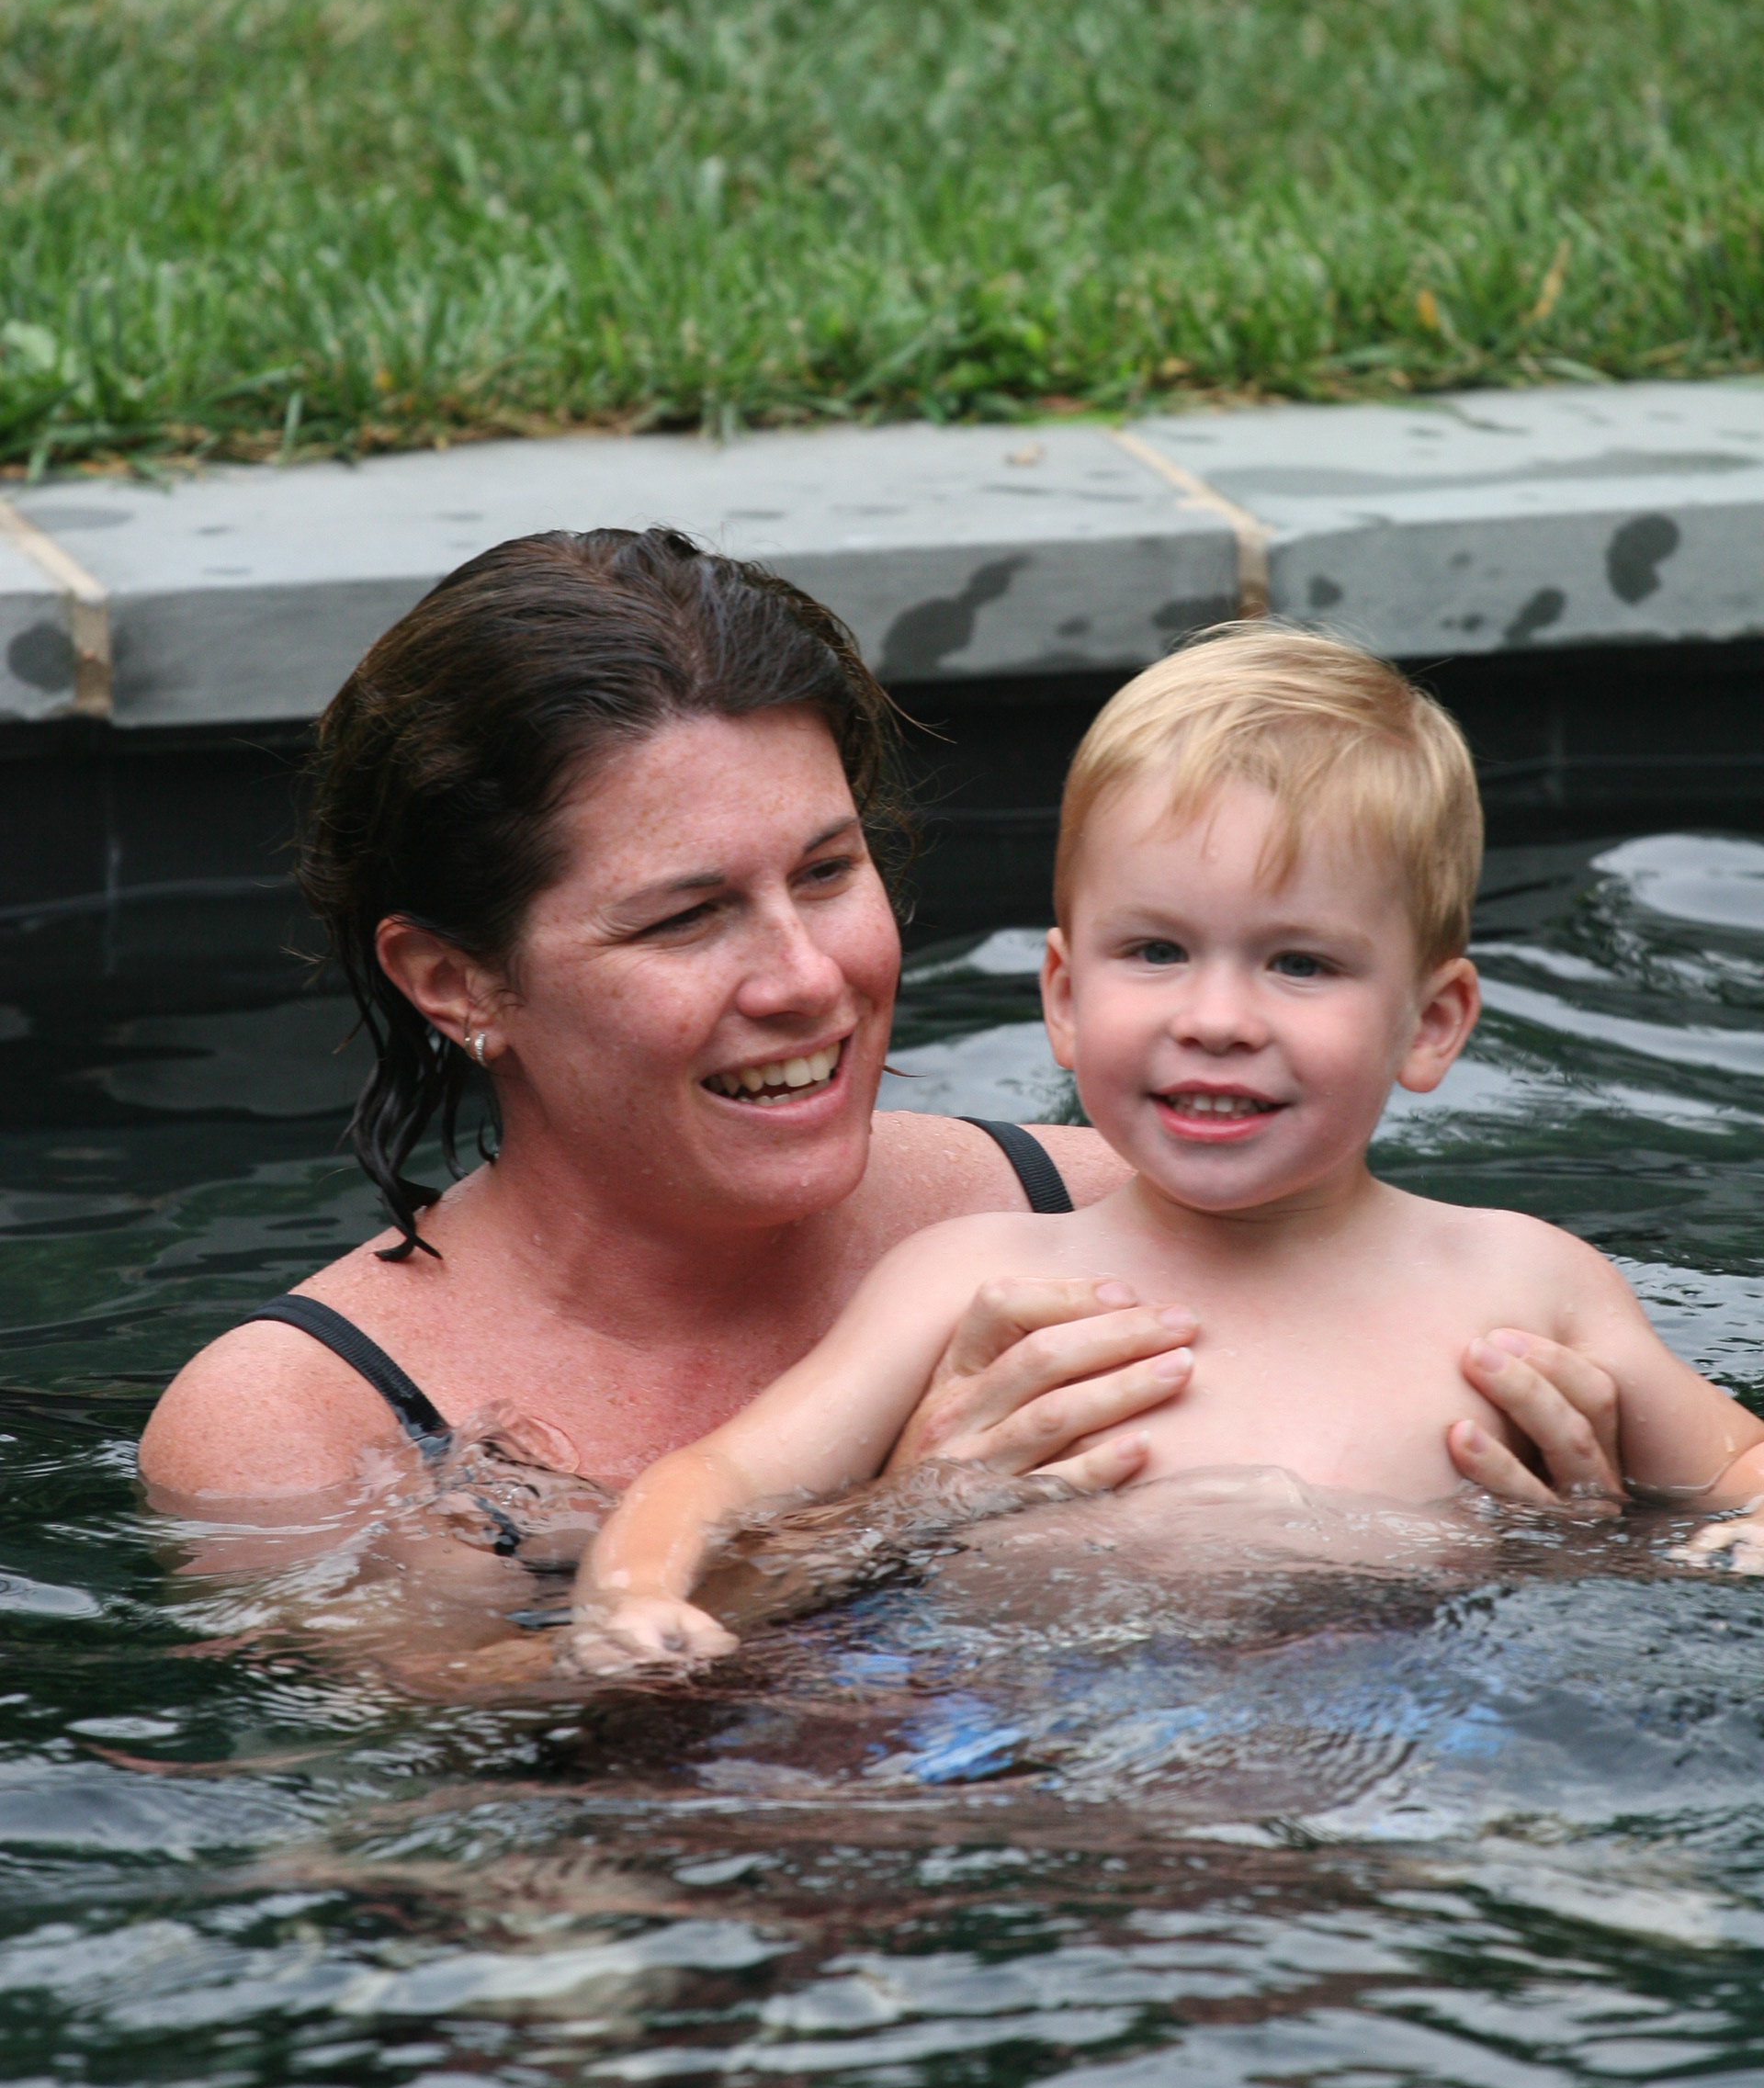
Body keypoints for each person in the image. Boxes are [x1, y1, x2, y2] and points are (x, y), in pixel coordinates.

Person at [138, 533, 1614, 1589]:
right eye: (687, 917)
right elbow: (479, 1790)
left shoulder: (1123, 1219)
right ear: (456, 982)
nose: (809, 978)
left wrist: (1583, 1534)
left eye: (828, 872)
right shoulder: (302, 1421)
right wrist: (878, 1536)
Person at [574, 623, 1764, 1665]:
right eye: (1155, 952)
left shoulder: (1523, 1288)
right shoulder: (969, 1281)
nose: (1216, 1019)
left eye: (1300, 963)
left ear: (1432, 1022)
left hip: (1427, 1755)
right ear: (1063, 996)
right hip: (1032, 1757)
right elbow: (717, 1480)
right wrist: (633, 1592)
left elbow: (1737, 1477)